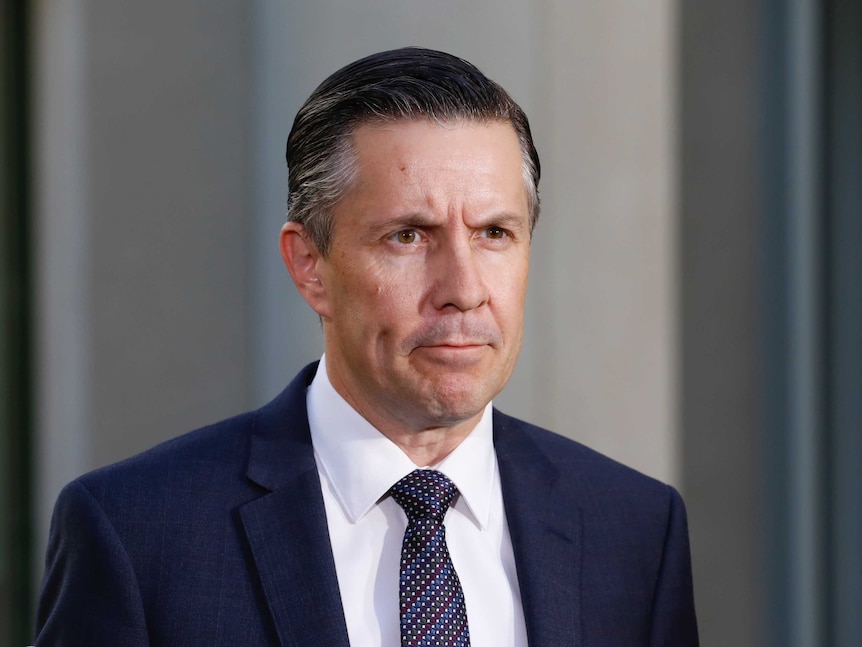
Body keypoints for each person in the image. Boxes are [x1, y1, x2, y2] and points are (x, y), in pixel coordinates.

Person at [34, 47, 698, 646]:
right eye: (409, 235)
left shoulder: (635, 529)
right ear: (310, 266)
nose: (463, 290)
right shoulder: (138, 533)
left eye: (495, 232)